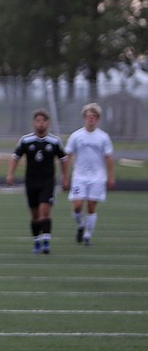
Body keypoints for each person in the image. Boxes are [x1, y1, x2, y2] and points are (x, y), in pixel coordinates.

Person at [6, 109, 67, 254]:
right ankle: (37, 241)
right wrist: (10, 174)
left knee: (44, 211)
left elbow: (64, 159)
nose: (41, 124)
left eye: (43, 121)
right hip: (31, 182)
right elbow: (15, 157)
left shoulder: (54, 141)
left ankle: (46, 242)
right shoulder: (26, 140)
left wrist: (65, 177)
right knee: (34, 215)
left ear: (48, 123)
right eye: (38, 121)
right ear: (34, 123)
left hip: (47, 182)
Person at [63, 103, 115, 246]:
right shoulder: (76, 136)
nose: (91, 119)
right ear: (84, 118)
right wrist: (65, 177)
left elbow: (108, 157)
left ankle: (87, 235)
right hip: (80, 176)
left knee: (91, 206)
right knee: (78, 205)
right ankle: (80, 225)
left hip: (97, 177)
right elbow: (68, 155)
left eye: (94, 116)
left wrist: (111, 176)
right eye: (88, 116)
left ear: (97, 119)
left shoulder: (103, 137)